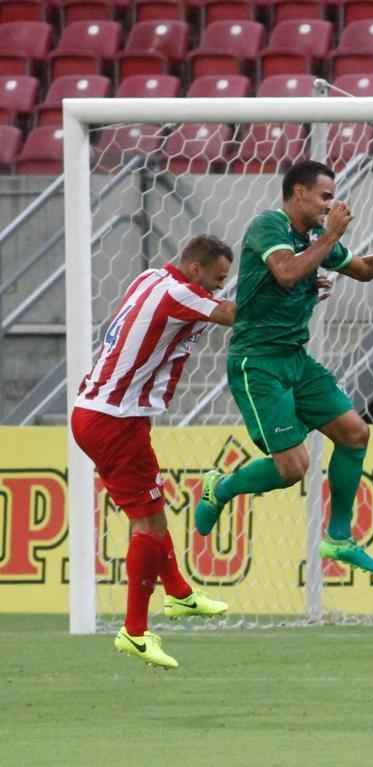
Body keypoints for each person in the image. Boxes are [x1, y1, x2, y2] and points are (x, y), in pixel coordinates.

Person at [193, 160, 373, 575]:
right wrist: (331, 237)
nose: (331, 205)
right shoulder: (268, 226)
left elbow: (365, 270)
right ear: (299, 193)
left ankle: (338, 538)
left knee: (354, 433)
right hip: (258, 362)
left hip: (296, 358)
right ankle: (220, 488)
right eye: (325, 196)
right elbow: (286, 272)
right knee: (293, 468)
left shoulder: (314, 238)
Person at [71, 235, 238, 669]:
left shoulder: (151, 277)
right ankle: (135, 631)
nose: (219, 287)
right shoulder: (182, 293)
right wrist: (293, 289)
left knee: (153, 514)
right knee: (146, 524)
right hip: (113, 420)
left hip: (101, 412)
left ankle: (179, 593)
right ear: (196, 268)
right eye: (217, 278)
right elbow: (233, 315)